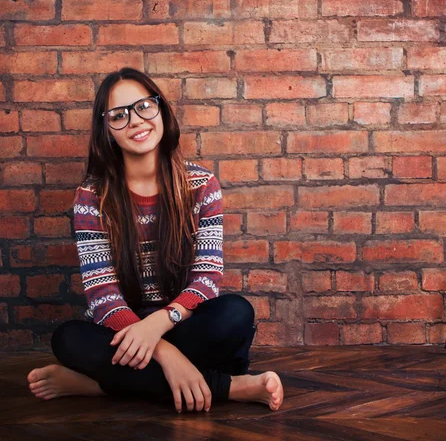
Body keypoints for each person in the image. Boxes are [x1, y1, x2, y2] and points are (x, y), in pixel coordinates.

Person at [27, 67, 284, 413]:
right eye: (118, 115)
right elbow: (102, 295)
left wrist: (160, 326)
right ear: (107, 131)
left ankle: (95, 385)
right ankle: (229, 388)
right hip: (122, 332)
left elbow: (207, 280)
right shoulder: (92, 198)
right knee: (69, 339)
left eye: (144, 107)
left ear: (160, 109)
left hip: (184, 324)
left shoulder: (201, 185)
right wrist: (164, 352)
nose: (135, 121)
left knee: (235, 313)